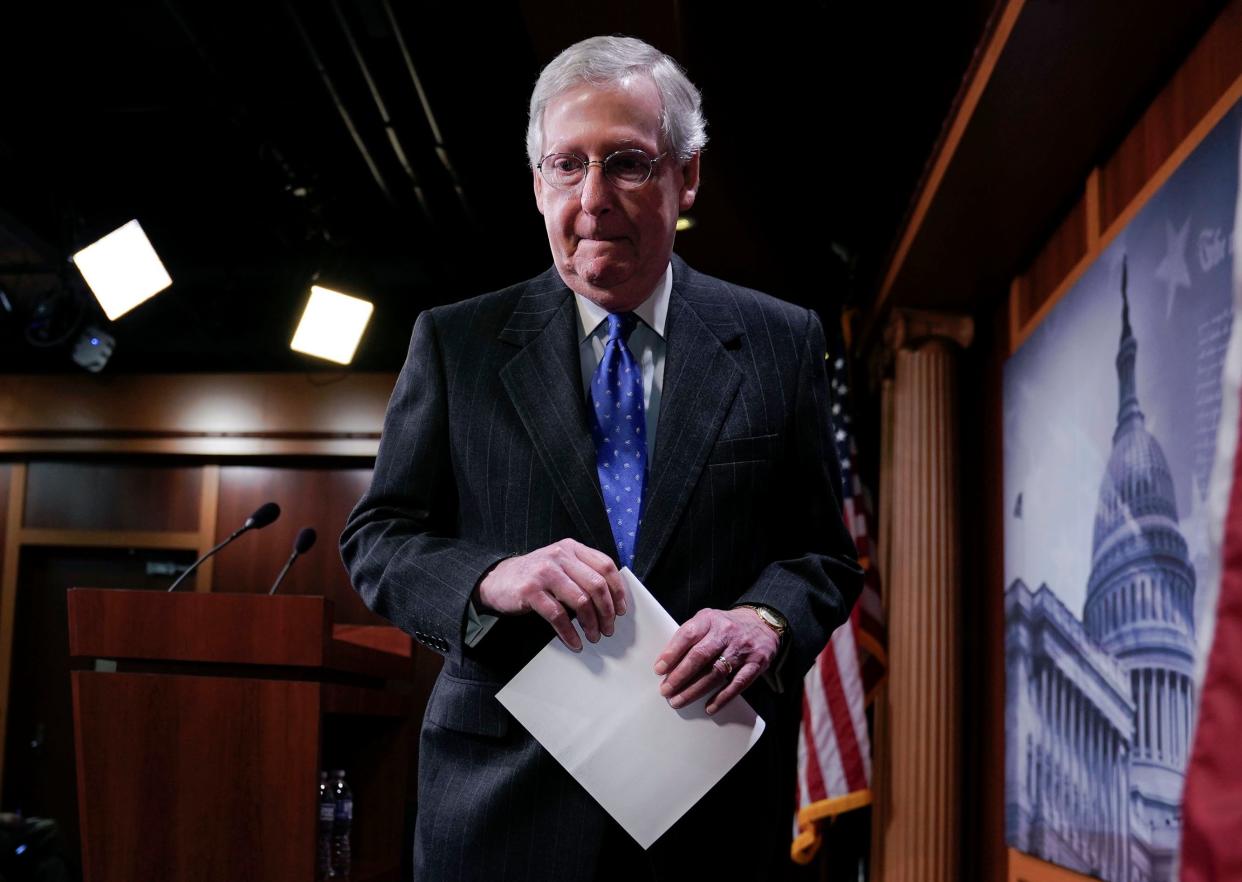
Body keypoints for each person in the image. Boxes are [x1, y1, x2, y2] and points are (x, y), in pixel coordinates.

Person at [340, 34, 862, 882]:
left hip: (711, 813)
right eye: (565, 166)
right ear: (537, 183)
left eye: (626, 163)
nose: (592, 201)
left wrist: (763, 621)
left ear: (686, 176)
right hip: (500, 813)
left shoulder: (780, 340)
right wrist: (489, 580)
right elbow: (379, 540)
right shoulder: (455, 343)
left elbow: (821, 558)